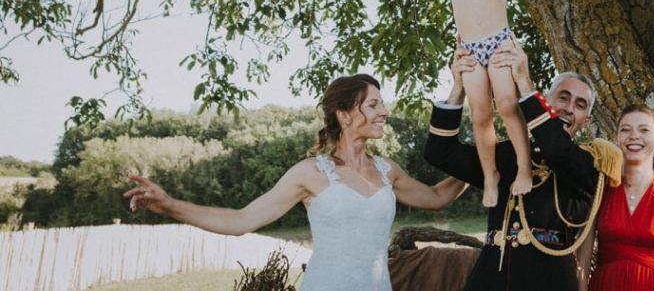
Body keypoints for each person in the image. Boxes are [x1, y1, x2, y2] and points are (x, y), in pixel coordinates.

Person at [124, 74, 466, 291]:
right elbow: (241, 220)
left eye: (382, 103)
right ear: (345, 116)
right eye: (373, 104)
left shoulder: (387, 170)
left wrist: (483, 163)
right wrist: (169, 204)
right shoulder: (310, 173)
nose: (384, 111)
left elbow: (437, 197)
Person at [425, 37, 622, 291]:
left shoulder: (590, 164)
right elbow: (440, 152)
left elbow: (556, 150)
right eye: (563, 97)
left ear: (586, 120)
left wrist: (523, 83)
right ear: (547, 101)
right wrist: (459, 87)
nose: (569, 108)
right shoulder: (507, 154)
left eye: (580, 105)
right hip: (491, 277)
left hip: (549, 280)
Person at [436, 0, 532, 207]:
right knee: (480, 114)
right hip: (471, 53)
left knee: (507, 105)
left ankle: (523, 168)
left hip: (501, 46)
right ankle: (489, 175)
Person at [580, 105, 654, 291]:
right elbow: (583, 260)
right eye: (625, 130)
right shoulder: (600, 188)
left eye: (644, 130)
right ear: (617, 139)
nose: (634, 136)